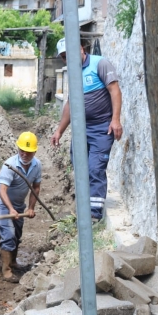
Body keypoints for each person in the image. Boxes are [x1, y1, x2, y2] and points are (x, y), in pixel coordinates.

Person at [50, 38, 123, 222]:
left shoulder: (100, 63)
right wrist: (60, 130)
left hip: (102, 129)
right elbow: (69, 103)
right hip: (81, 130)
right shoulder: (73, 74)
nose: (68, 59)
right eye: (64, 57)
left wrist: (115, 120)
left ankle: (94, 215)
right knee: (80, 167)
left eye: (70, 54)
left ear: (81, 49)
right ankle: (84, 207)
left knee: (95, 168)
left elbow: (115, 90)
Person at [0, 132, 42, 283]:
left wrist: (31, 208)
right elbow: (2, 190)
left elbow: (36, 188)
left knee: (17, 234)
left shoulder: (37, 165)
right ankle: (6, 271)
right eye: (22, 151)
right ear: (18, 149)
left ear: (35, 151)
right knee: (8, 234)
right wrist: (11, 210)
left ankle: (13, 261)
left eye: (29, 152)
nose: (25, 154)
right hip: (1, 203)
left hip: (18, 204)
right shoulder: (10, 165)